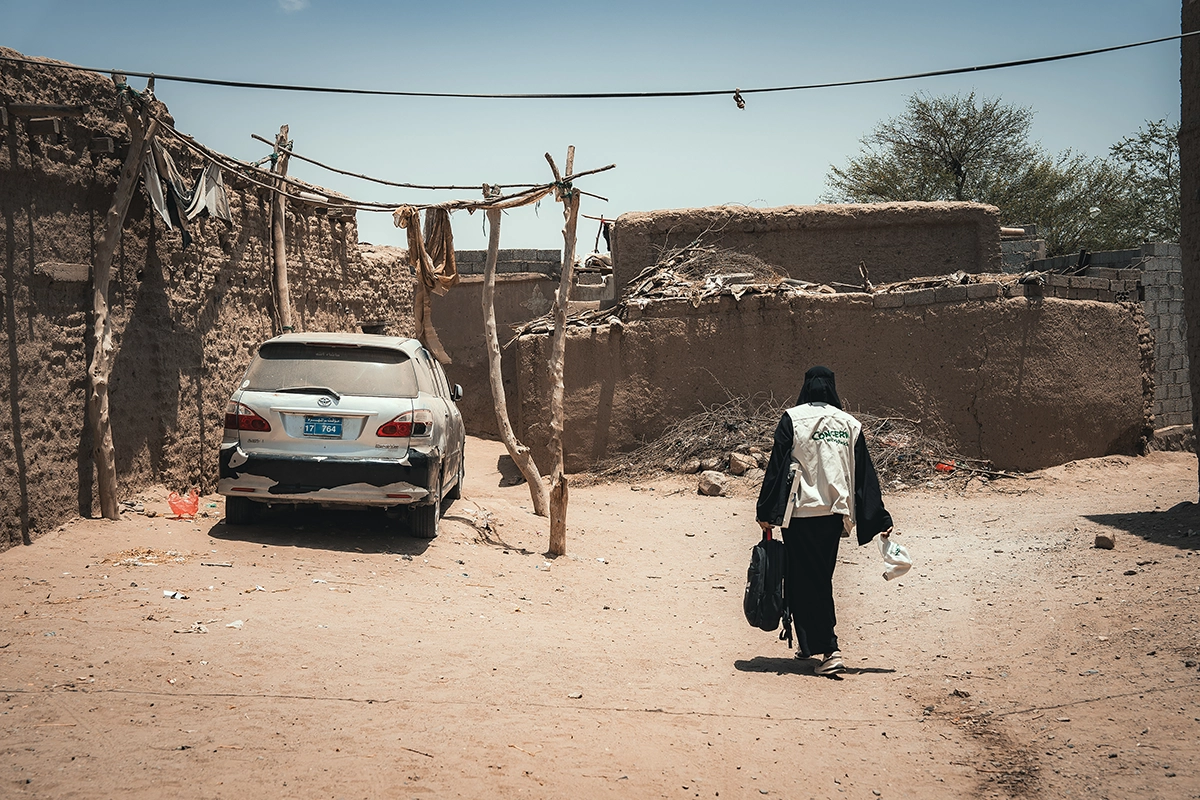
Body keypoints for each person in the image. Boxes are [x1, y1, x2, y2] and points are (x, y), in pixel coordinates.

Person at [755, 366, 895, 676]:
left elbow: (777, 468)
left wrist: (765, 512)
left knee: (811, 580)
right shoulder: (850, 424)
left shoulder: (792, 419)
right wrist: (878, 516)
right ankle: (807, 643)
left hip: (800, 513)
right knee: (810, 577)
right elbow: (864, 476)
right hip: (833, 515)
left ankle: (830, 649)